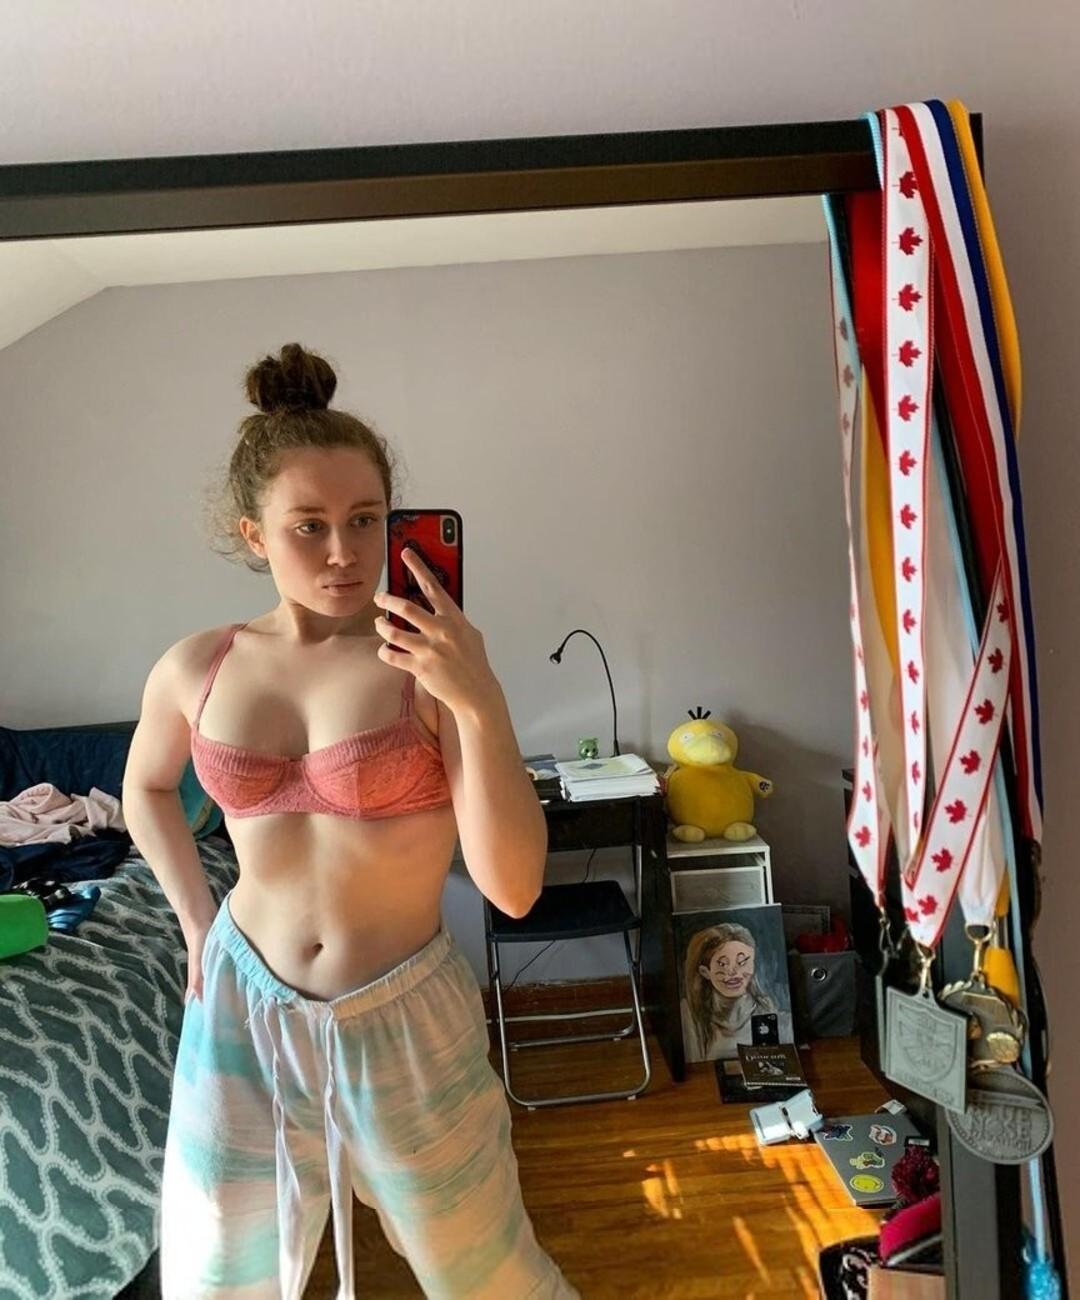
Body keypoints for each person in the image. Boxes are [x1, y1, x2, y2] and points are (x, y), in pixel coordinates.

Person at [121, 342, 580, 1299]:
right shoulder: (197, 666)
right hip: (240, 1009)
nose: (343, 552)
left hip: (402, 1016)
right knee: (219, 1274)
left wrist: (480, 700)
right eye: (309, 526)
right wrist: (197, 920)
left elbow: (514, 887)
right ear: (254, 534)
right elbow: (146, 790)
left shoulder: (428, 665)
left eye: (365, 519)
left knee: (486, 1272)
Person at [680, 921, 783, 1062]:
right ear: (705, 972)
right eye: (722, 964)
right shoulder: (689, 1013)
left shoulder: (765, 1009)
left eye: (742, 962)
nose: (733, 972)